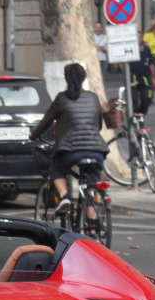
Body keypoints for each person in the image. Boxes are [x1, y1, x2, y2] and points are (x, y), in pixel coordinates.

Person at [30, 62, 108, 213]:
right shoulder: (93, 98)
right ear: (83, 78)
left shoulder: (61, 98)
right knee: (92, 187)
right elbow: (98, 125)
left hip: (70, 150)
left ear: (66, 79)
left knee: (56, 169)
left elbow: (46, 121)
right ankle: (92, 229)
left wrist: (34, 135)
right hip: (96, 150)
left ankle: (64, 197)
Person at [127, 41, 155, 116]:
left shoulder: (147, 50)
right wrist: (126, 72)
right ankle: (135, 113)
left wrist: (153, 78)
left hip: (144, 77)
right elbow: (121, 63)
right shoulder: (130, 49)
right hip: (133, 76)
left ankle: (142, 112)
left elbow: (151, 64)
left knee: (147, 97)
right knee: (134, 98)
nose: (141, 48)